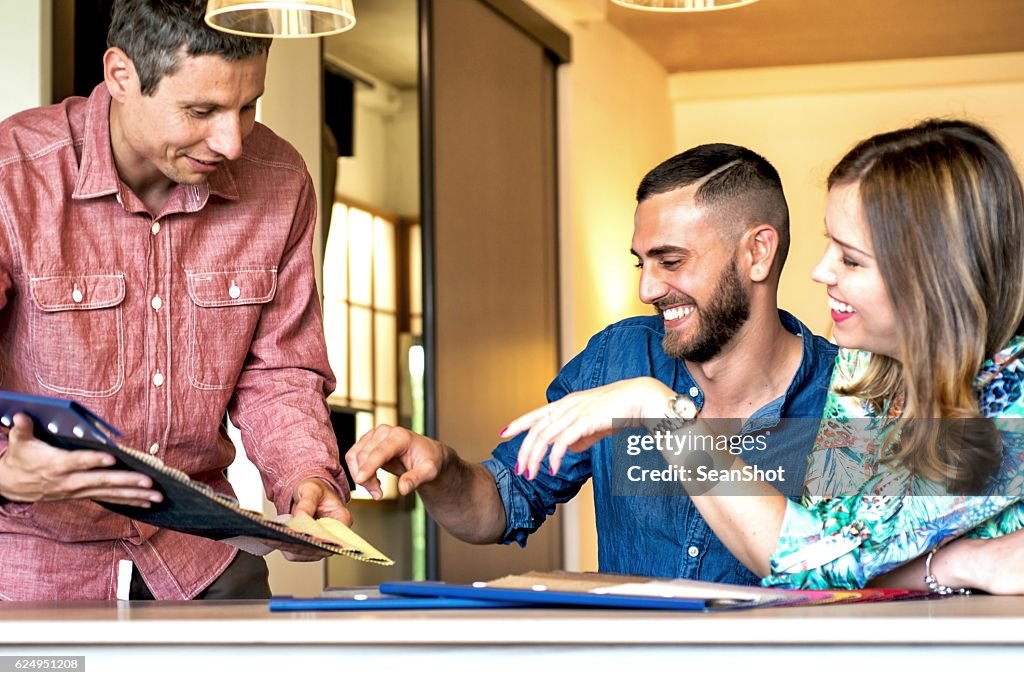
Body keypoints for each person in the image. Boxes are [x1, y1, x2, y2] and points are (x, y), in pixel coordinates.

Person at [508, 119, 1024, 593]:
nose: (820, 272)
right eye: (830, 247)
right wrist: (963, 562)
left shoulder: (1012, 395)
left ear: (934, 273)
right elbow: (838, 558)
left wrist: (658, 408)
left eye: (850, 258)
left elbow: (807, 562)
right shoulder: (866, 372)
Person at [347, 142, 839, 584]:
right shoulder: (616, 358)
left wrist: (655, 406)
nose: (647, 290)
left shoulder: (849, 394)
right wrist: (441, 470)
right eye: (640, 263)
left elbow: (827, 569)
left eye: (671, 262)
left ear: (758, 252)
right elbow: (502, 502)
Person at [0, 0, 350, 600]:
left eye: (248, 106)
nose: (232, 141)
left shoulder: (281, 178)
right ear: (121, 76)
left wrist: (306, 476)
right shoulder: (14, 175)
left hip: (203, 564)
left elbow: (281, 371)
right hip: (29, 568)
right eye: (202, 110)